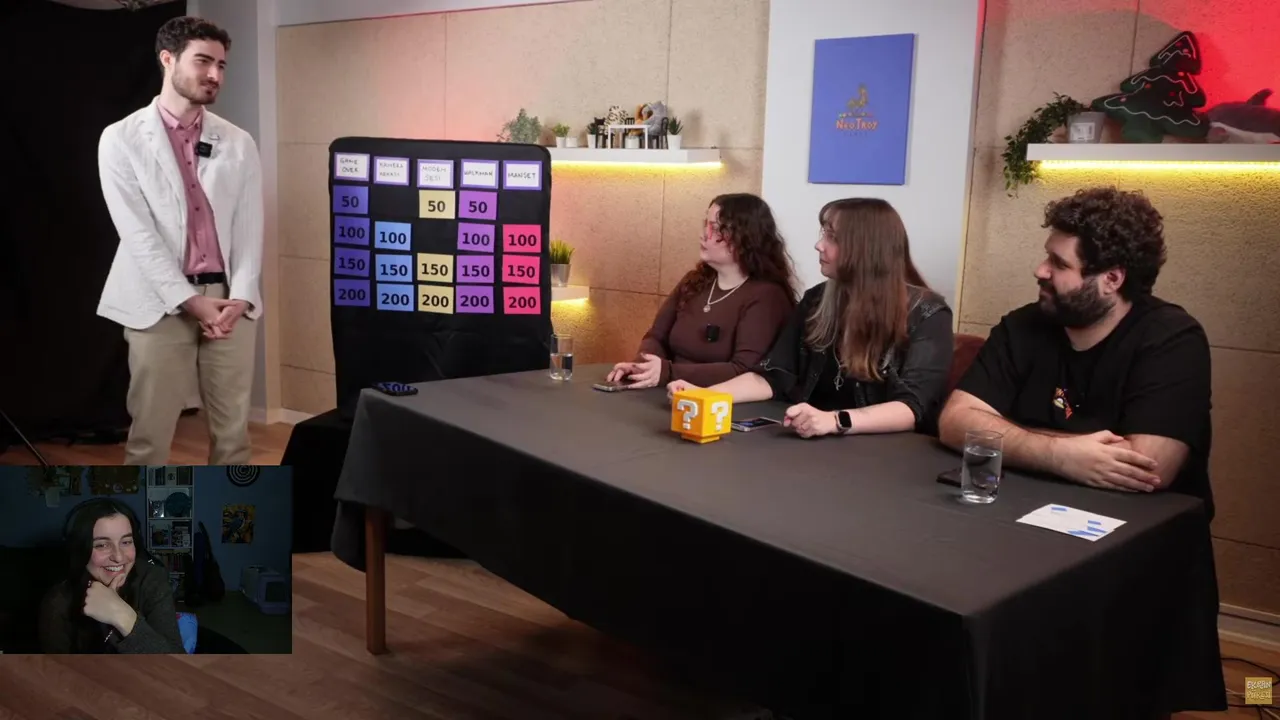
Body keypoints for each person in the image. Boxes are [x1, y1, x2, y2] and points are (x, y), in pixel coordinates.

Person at [938, 187, 1213, 510]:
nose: (1040, 270)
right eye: (1047, 256)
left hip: (1137, 526)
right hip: (1023, 512)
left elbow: (1148, 466)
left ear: (1112, 279)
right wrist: (1058, 455)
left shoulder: (1172, 340)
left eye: (1059, 263)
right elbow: (954, 422)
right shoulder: (1022, 326)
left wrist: (1005, 435)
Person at [97, 16, 263, 465]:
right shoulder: (121, 139)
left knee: (234, 439)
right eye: (203, 61)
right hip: (158, 301)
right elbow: (138, 236)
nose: (215, 75)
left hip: (228, 301)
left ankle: (231, 513)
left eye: (221, 65)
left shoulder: (238, 142)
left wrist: (242, 297)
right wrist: (190, 301)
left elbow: (249, 228)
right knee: (149, 440)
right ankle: (139, 515)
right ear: (168, 59)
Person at [668, 198, 954, 438]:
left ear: (865, 249)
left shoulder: (927, 314)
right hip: (812, 445)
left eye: (831, 237)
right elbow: (773, 377)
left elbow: (912, 408)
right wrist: (707, 395)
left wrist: (835, 420)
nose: (819, 245)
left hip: (883, 456)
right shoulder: (816, 299)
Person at [605, 194, 796, 388]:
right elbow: (656, 337)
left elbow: (744, 371)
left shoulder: (767, 296)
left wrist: (668, 372)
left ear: (744, 237)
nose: (704, 235)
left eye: (716, 228)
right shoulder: (695, 281)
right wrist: (643, 368)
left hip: (718, 400)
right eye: (706, 225)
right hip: (671, 390)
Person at [39, 499, 185, 654]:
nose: (119, 557)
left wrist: (123, 617)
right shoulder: (58, 601)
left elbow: (176, 662)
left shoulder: (152, 579)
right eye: (102, 545)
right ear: (80, 550)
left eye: (126, 542)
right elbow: (54, 668)